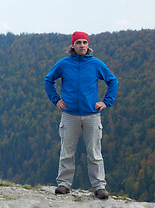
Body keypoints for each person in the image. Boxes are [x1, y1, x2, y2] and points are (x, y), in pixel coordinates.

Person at [44, 31, 119, 199]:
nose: (82, 45)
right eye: (78, 42)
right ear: (73, 45)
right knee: (67, 151)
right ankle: (64, 184)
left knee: (94, 152)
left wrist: (106, 102)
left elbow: (113, 81)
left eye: (85, 42)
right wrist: (56, 100)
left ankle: (99, 187)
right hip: (69, 114)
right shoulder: (63, 64)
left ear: (88, 45)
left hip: (92, 115)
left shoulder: (96, 64)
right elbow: (48, 80)